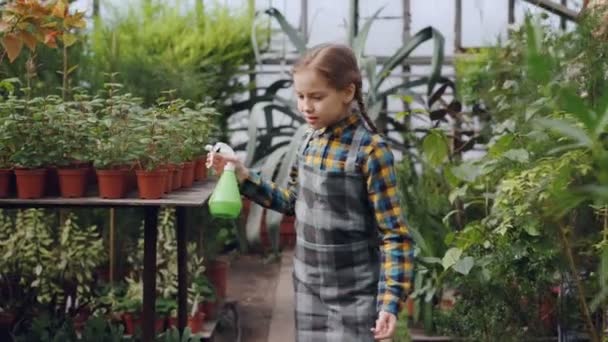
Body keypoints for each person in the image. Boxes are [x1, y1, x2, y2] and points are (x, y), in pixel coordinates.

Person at [207, 43, 414, 341]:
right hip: (307, 289)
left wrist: (389, 302)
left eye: (317, 97)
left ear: (347, 92)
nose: (306, 106)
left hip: (356, 294)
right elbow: (293, 202)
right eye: (301, 96)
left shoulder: (371, 151)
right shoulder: (308, 141)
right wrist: (243, 175)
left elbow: (394, 235)